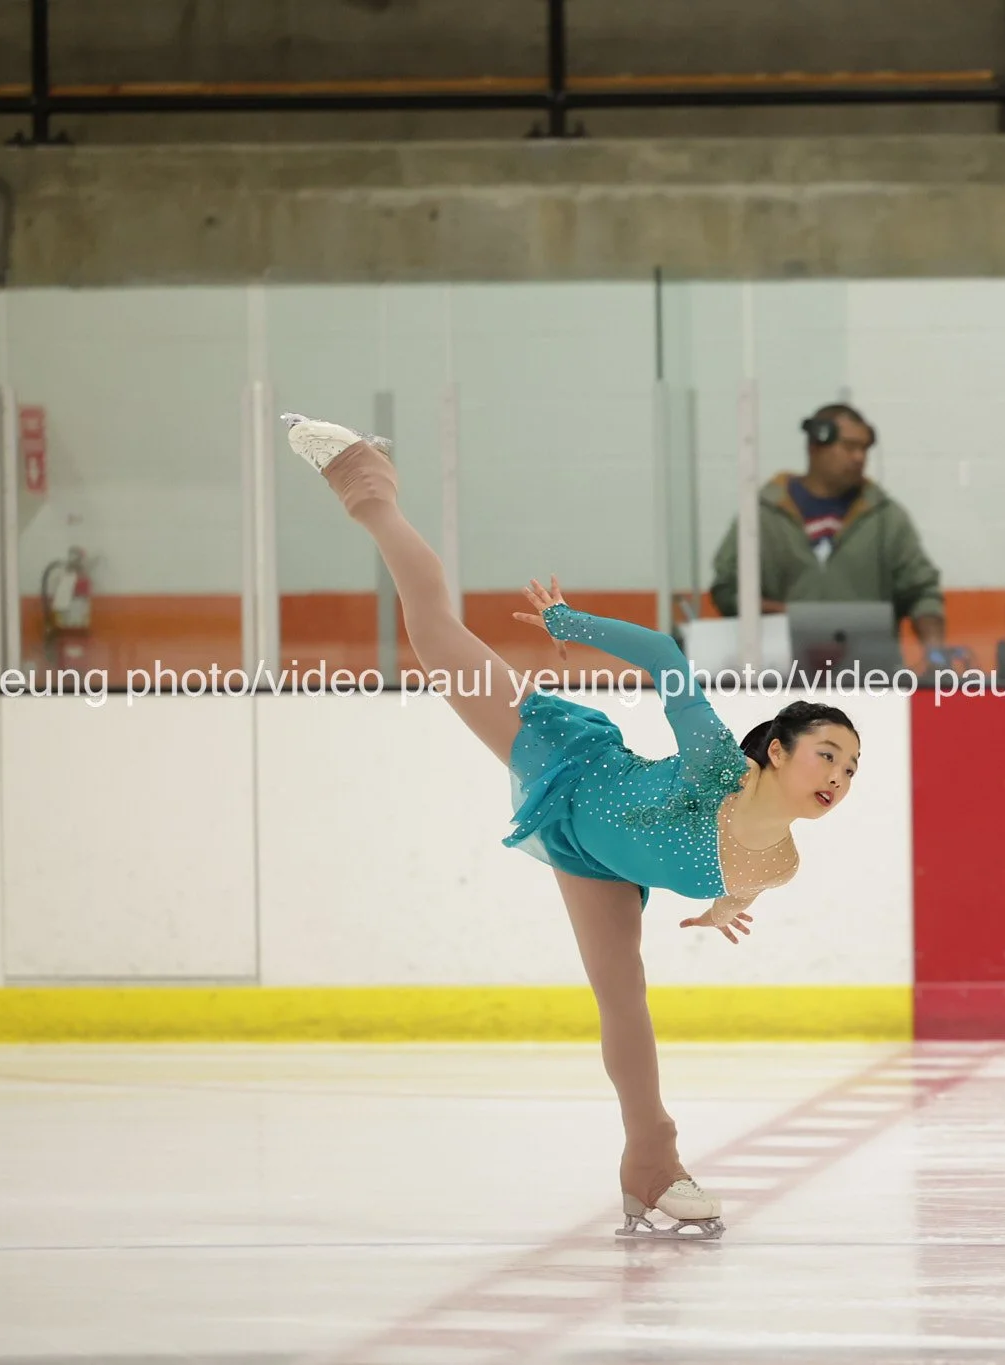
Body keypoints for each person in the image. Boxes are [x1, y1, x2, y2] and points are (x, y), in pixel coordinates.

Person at [280, 412, 860, 1242]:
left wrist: (724, 908)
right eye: (828, 754)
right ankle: (366, 483)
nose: (839, 777)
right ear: (775, 750)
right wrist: (568, 625)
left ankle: (650, 1168)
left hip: (594, 862)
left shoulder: (781, 864)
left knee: (624, 999)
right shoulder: (714, 766)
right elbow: (664, 657)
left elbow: (743, 880)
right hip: (569, 765)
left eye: (851, 768)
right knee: (437, 633)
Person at [707, 402, 954, 666]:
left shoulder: (885, 518)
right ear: (816, 445)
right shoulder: (763, 517)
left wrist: (935, 653)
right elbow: (727, 591)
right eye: (849, 447)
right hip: (783, 677)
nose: (859, 457)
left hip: (871, 678)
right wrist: (790, 617)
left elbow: (922, 591)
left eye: (864, 449)